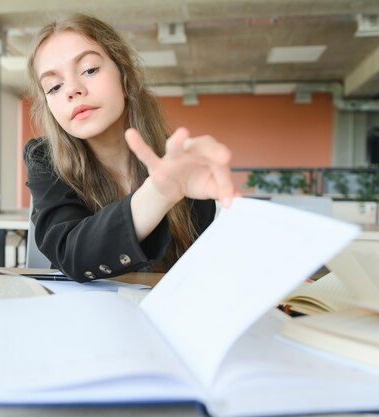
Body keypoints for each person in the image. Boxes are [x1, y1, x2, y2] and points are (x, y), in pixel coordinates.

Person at [24, 13, 236, 282]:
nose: (72, 90)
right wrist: (157, 195)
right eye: (53, 87)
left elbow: (193, 276)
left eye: (89, 70)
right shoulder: (43, 157)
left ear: (125, 77)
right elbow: (70, 252)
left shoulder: (177, 164)